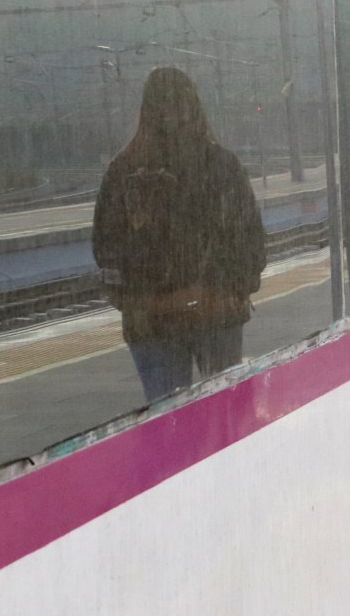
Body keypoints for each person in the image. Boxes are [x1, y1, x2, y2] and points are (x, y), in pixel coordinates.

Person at [93, 66, 267, 404]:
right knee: (224, 414)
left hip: (153, 323)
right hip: (215, 315)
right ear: (196, 106)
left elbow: (106, 250)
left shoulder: (123, 169)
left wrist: (140, 303)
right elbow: (250, 242)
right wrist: (228, 290)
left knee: (167, 420)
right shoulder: (221, 165)